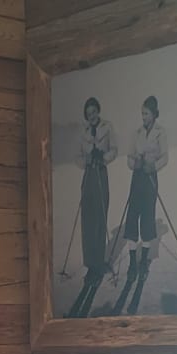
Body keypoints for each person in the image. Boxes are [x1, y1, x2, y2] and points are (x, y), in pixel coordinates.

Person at [117, 95, 168, 314]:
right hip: (137, 178)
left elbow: (165, 157)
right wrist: (135, 163)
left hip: (150, 179)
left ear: (154, 114)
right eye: (142, 113)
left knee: (147, 219)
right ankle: (132, 264)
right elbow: (129, 157)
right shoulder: (136, 133)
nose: (143, 117)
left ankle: (144, 262)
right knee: (132, 218)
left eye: (146, 113)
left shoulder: (160, 132)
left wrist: (153, 166)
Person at [68, 96, 116, 318]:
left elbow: (114, 150)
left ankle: (99, 264)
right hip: (88, 177)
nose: (92, 116)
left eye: (94, 112)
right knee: (88, 220)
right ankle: (91, 264)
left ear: (98, 111)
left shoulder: (108, 127)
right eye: (88, 114)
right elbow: (77, 157)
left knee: (100, 218)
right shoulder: (83, 132)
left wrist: (103, 157)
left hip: (101, 175)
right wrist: (87, 159)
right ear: (86, 116)